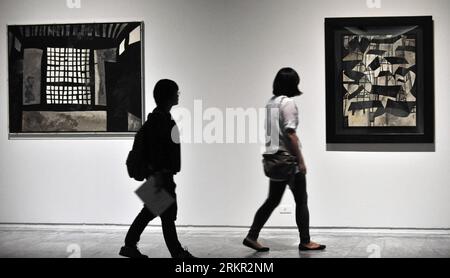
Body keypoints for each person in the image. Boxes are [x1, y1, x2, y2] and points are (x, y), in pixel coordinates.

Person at [243, 68, 326, 252]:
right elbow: (290, 134)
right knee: (301, 200)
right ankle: (305, 241)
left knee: (272, 200)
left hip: (273, 159)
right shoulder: (288, 103)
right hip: (288, 161)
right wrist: (301, 160)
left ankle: (252, 235)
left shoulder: (271, 103)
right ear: (292, 84)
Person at [119, 79, 195, 258]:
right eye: (176, 92)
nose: (178, 95)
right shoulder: (160, 121)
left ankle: (129, 245)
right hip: (161, 175)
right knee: (166, 215)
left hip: (159, 174)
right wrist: (160, 175)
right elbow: (159, 151)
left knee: (151, 211)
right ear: (168, 96)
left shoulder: (160, 119)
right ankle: (177, 253)